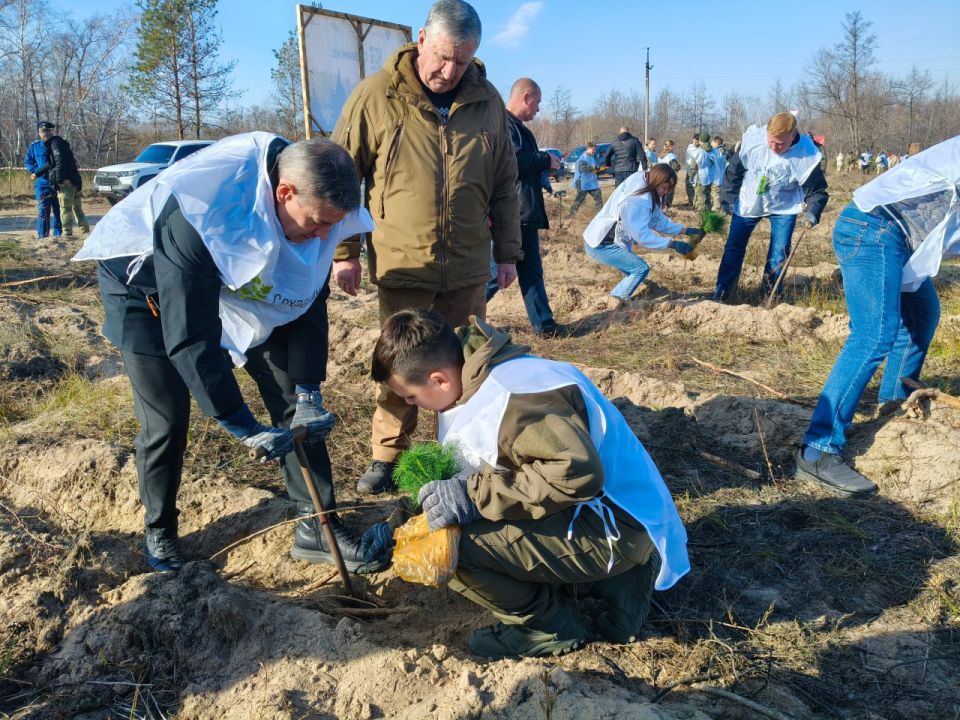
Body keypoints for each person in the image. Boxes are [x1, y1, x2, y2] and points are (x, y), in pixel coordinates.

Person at [73, 133, 387, 574]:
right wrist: (239, 423)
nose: (321, 237)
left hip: (230, 274)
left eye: (330, 228)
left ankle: (316, 525)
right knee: (166, 416)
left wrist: (309, 390)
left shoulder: (313, 206)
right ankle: (160, 530)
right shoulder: (203, 210)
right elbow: (190, 336)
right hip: (142, 283)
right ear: (284, 193)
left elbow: (307, 293)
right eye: (316, 224)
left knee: (292, 401)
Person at [366, 308, 690, 658]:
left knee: (449, 548)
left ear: (439, 379)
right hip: (614, 514)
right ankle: (618, 580)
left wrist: (472, 497)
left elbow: (576, 472)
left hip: (614, 527)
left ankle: (548, 627)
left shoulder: (514, 398)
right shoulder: (479, 374)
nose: (411, 405)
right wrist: (404, 520)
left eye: (411, 397)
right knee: (467, 517)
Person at [332, 0, 521, 495]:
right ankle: (387, 453)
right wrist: (345, 252)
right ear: (421, 38)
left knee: (465, 366)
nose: (448, 70)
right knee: (400, 366)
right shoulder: (376, 96)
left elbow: (505, 183)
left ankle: (460, 454)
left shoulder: (487, 103)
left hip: (465, 265)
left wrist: (507, 252)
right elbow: (341, 177)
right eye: (441, 56)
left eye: (461, 61)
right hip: (402, 264)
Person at [795, 136, 960, 496]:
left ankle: (893, 406)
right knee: (874, 333)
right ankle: (818, 451)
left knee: (921, 317)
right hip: (873, 228)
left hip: (900, 237)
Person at [713, 112, 828, 302]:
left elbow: (817, 190)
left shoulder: (806, 153)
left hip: (784, 207)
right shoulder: (754, 141)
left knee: (779, 251)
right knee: (734, 245)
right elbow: (733, 171)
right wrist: (728, 199)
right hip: (749, 202)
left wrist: (812, 212)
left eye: (781, 144)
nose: (775, 147)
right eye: (771, 141)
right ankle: (723, 290)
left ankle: (770, 294)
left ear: (793, 135)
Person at [484, 78, 565, 337]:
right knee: (496, 274)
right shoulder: (505, 125)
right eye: (538, 102)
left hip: (523, 211)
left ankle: (545, 326)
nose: (538, 109)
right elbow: (512, 163)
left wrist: (544, 170)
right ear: (526, 97)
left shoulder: (517, 127)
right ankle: (453, 319)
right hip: (512, 213)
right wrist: (545, 160)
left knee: (530, 271)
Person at [583, 165, 704, 307]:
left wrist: (685, 230)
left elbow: (657, 220)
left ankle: (620, 296)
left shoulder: (644, 179)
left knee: (634, 270)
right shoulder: (638, 200)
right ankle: (614, 301)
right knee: (640, 268)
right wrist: (673, 244)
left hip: (601, 236)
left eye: (669, 189)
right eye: (664, 188)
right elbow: (642, 236)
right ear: (656, 180)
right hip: (602, 243)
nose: (666, 193)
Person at [39, 122, 90, 237]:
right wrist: (38, 173)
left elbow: (59, 162)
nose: (43, 135)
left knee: (65, 208)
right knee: (77, 208)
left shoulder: (55, 144)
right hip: (74, 180)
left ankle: (67, 234)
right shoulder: (60, 143)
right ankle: (86, 232)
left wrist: (59, 180)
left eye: (44, 133)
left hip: (66, 183)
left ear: (44, 134)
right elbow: (52, 163)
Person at [24, 121, 62, 239]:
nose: (46, 133)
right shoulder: (34, 146)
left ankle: (58, 236)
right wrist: (35, 171)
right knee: (43, 212)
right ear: (39, 133)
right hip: (42, 184)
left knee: (58, 211)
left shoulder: (57, 144)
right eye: (43, 131)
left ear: (52, 132)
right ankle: (43, 237)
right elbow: (28, 161)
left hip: (57, 183)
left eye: (48, 131)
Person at [567, 142, 604, 218]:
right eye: (593, 149)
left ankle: (600, 216)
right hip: (582, 183)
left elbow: (592, 168)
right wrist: (594, 168)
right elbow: (583, 169)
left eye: (595, 150)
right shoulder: (583, 158)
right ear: (589, 148)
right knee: (579, 200)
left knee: (598, 196)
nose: (594, 151)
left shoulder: (591, 157)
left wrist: (599, 169)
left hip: (590, 183)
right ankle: (571, 215)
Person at [689, 132, 719, 214]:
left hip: (700, 178)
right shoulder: (714, 151)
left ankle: (701, 217)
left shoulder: (699, 151)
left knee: (701, 198)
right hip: (711, 177)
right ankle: (708, 214)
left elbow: (693, 166)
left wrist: (691, 175)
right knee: (708, 197)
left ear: (700, 140)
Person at [657, 140, 681, 209]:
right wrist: (678, 167)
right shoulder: (671, 155)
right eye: (673, 146)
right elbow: (676, 166)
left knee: (662, 191)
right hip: (669, 176)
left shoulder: (660, 155)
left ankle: (662, 205)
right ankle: (668, 205)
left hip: (661, 175)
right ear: (671, 146)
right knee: (669, 191)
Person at [684, 133, 700, 206]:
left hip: (696, 171)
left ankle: (695, 203)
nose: (695, 143)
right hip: (688, 170)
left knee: (696, 187)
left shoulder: (701, 149)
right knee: (688, 186)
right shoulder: (689, 147)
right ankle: (691, 202)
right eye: (694, 141)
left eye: (696, 141)